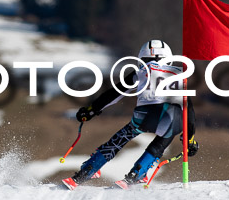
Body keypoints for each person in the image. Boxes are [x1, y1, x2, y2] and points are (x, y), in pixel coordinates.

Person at [62, 39, 198, 190]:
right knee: (163, 138)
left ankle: (86, 172)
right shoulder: (179, 74)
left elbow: (114, 94)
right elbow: (188, 109)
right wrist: (189, 138)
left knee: (119, 140)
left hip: (144, 114)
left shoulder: (141, 71)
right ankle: (136, 174)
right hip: (171, 117)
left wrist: (91, 110)